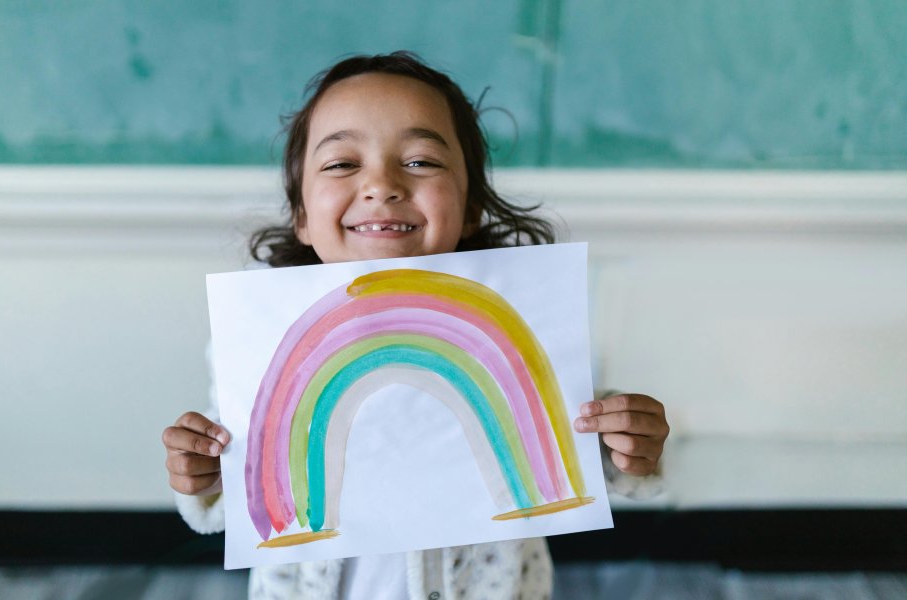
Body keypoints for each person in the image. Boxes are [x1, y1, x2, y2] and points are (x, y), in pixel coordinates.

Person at [162, 51, 669, 600]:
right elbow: (246, 468)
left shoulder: (528, 322)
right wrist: (204, 474)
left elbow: (568, 438)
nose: (382, 184)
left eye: (422, 161)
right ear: (303, 215)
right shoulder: (259, 340)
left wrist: (624, 447)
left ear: (472, 205)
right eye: (341, 164)